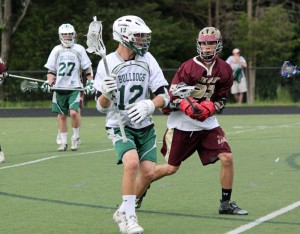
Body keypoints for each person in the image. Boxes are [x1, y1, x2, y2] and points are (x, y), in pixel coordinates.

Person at [135, 27, 248, 216]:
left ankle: (225, 203)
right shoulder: (188, 67)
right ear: (198, 44)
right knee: (171, 168)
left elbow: (221, 98)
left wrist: (213, 107)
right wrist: (186, 106)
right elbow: (172, 96)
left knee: (227, 157)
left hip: (207, 123)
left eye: (211, 42)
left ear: (218, 44)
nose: (207, 47)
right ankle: (136, 193)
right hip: (183, 123)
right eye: (203, 43)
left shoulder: (225, 69)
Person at [94, 15, 169, 234]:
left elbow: (164, 95)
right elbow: (101, 107)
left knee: (148, 173)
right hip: (120, 124)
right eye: (138, 35)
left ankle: (122, 210)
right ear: (123, 36)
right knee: (132, 163)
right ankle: (129, 217)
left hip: (144, 124)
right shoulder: (107, 63)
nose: (142, 39)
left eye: (144, 35)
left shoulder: (148, 59)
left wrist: (150, 104)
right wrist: (106, 93)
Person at [43, 23, 94, 151]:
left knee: (73, 113)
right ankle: (63, 142)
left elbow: (87, 67)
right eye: (65, 34)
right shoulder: (56, 50)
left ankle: (75, 137)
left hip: (75, 87)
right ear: (60, 35)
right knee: (61, 115)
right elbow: (51, 71)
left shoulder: (79, 49)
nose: (67, 37)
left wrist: (90, 82)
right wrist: (49, 82)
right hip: (59, 88)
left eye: (70, 34)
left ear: (74, 34)